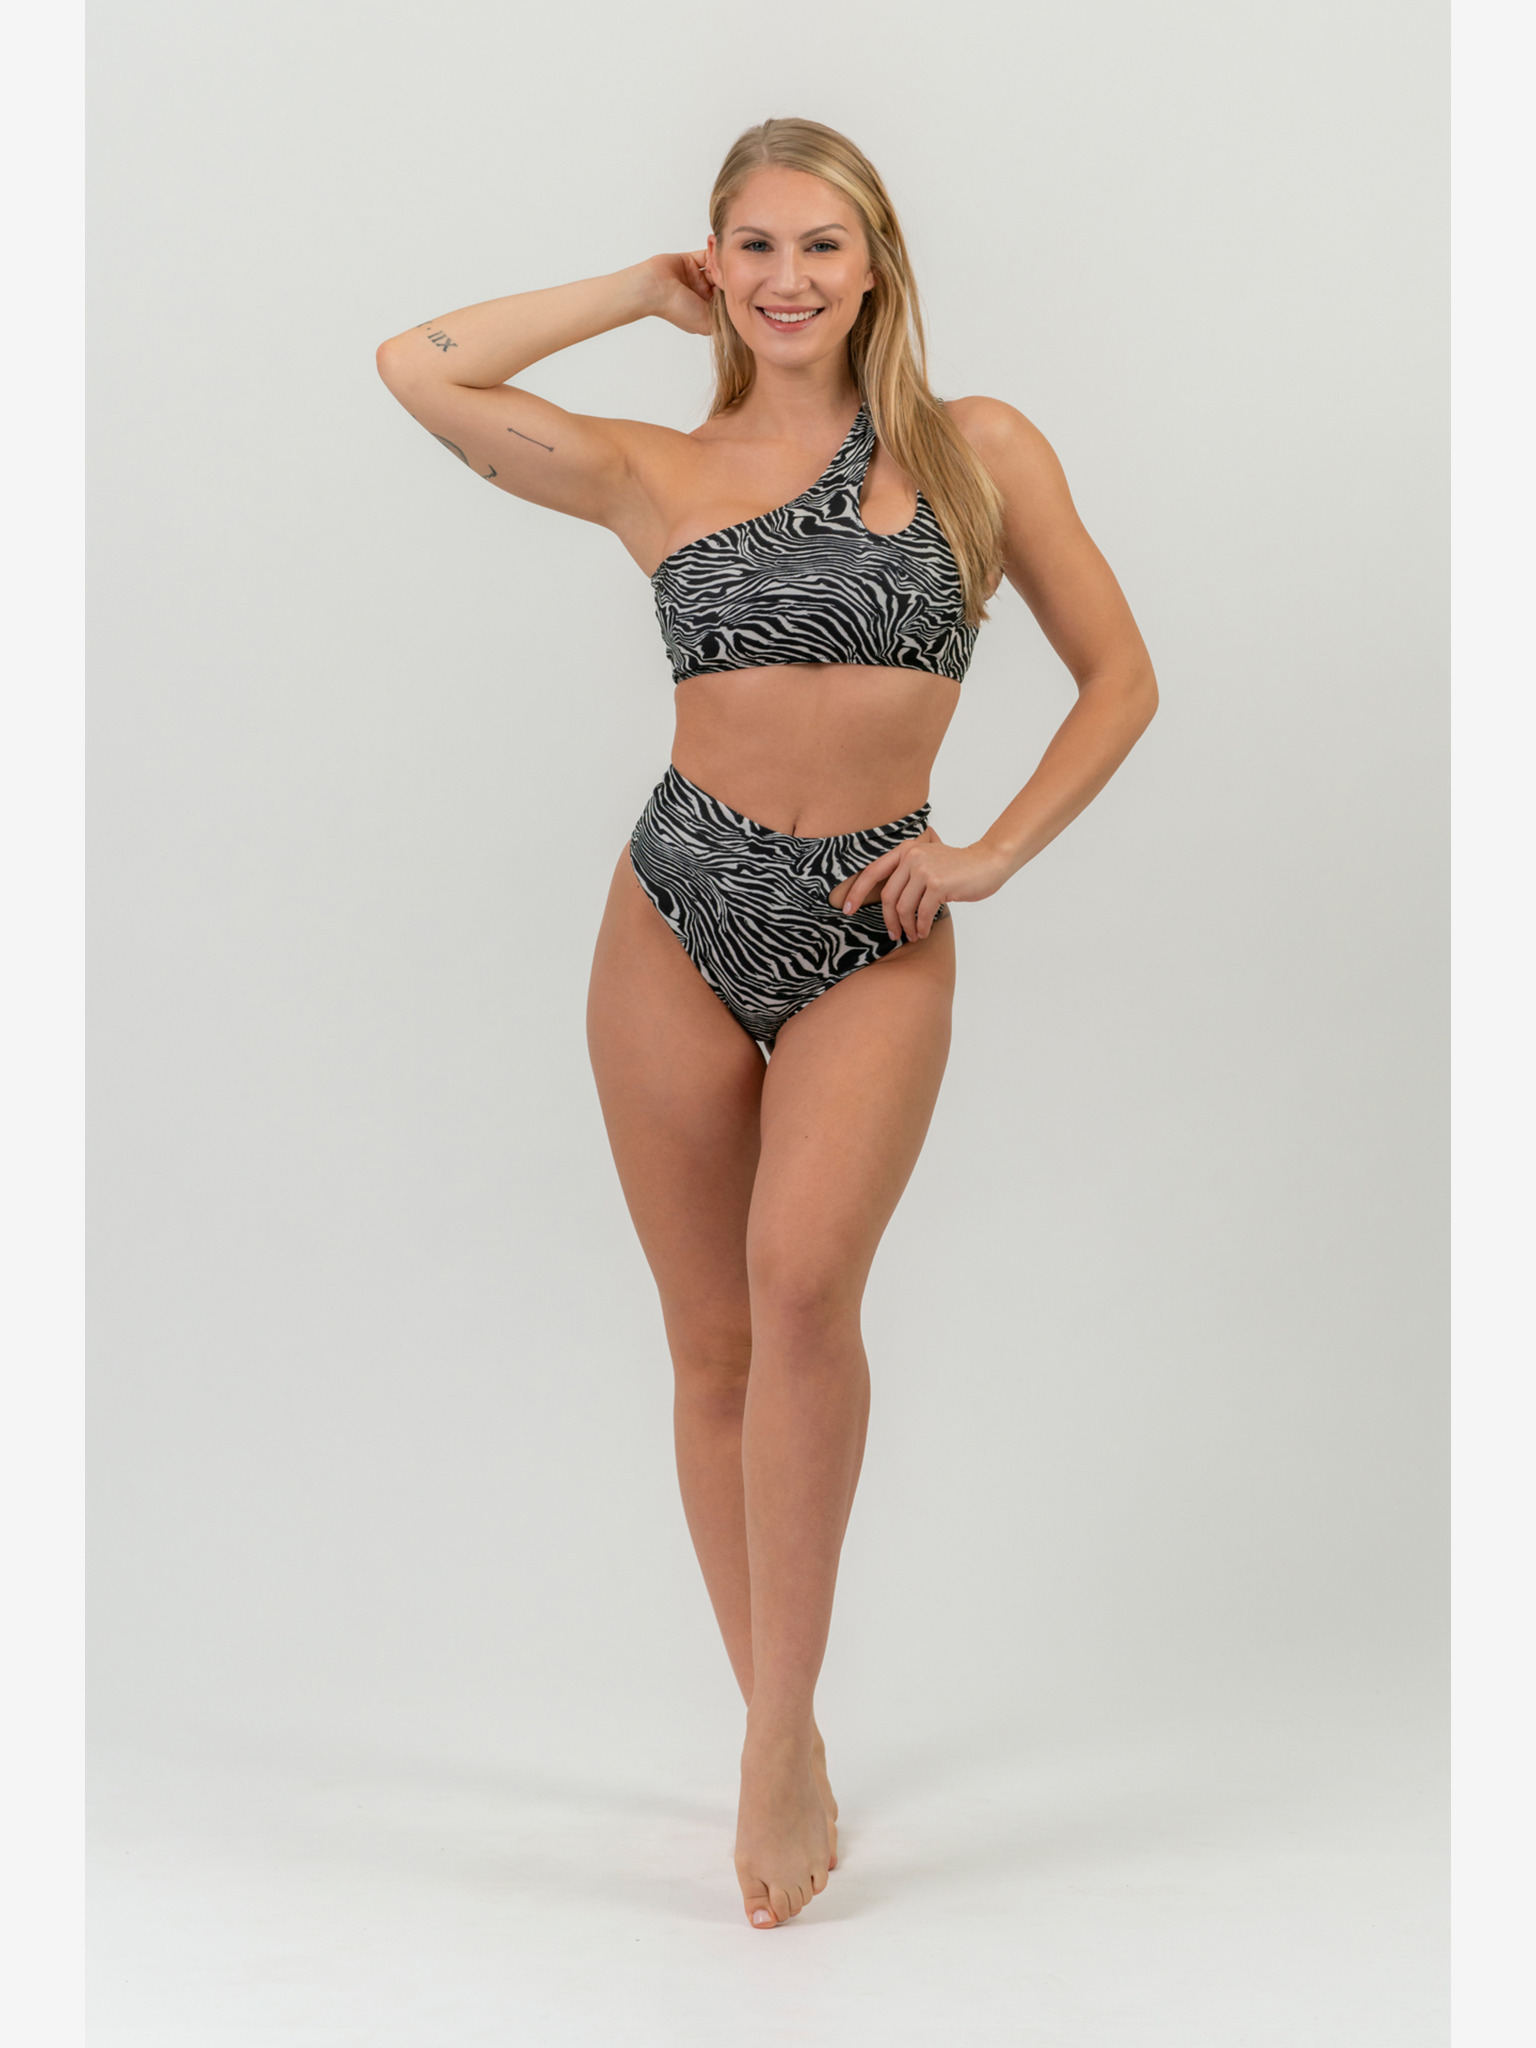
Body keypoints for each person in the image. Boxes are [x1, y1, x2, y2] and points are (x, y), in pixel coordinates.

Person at [375, 115, 1157, 1932]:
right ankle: (776, 1731)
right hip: (675, 907)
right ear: (714, 265)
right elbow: (418, 366)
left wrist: (992, 851)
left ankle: (780, 1723)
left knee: (805, 1288)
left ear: (876, 267)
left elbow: (1121, 676)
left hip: (873, 920)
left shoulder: (979, 453)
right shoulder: (657, 467)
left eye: (822, 245)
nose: (788, 278)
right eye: (754, 246)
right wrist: (628, 293)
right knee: (712, 1341)